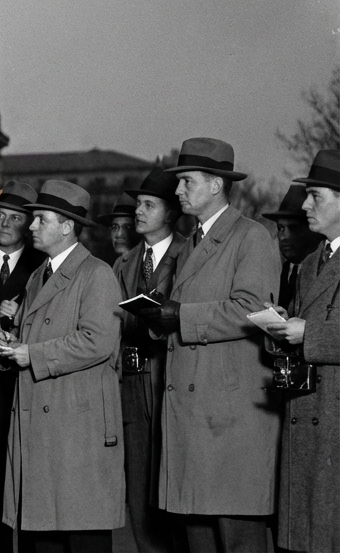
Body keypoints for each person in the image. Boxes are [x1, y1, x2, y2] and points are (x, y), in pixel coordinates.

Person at [136, 138, 280, 553]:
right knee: (197, 534)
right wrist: (156, 319)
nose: (177, 191)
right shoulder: (192, 245)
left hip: (229, 418)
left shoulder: (251, 238)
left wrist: (179, 315)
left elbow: (252, 309)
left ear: (216, 185)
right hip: (194, 415)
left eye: (186, 182)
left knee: (237, 536)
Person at [0, 179, 125, 553]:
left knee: (81, 533)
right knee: (44, 536)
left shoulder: (96, 274)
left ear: (67, 226)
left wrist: (31, 354)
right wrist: (11, 346)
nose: (30, 226)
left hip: (76, 430)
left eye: (40, 220)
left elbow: (98, 341)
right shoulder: (39, 276)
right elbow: (32, 337)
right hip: (44, 429)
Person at [264, 150, 340, 553]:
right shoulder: (312, 262)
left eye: (317, 196)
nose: (306, 205)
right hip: (306, 416)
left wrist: (306, 332)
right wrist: (278, 323)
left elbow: (314, 330)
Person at [0, 180, 49, 553]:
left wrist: (21, 316)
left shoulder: (44, 266)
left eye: (14, 217)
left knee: (28, 485)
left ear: (29, 223)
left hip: (28, 389)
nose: (3, 224)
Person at [115, 168, 186, 553]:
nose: (138, 212)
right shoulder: (124, 264)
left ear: (171, 212)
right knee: (139, 487)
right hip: (131, 382)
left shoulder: (188, 255)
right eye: (138, 204)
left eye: (148, 205)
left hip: (168, 381)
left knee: (171, 485)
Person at [262, 184, 323, 311]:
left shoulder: (324, 271)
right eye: (280, 228)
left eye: (293, 228)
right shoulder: (276, 274)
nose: (284, 236)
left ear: (312, 229)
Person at [98, 196, 141, 261]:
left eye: (126, 227)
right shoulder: (117, 264)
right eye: (115, 227)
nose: (119, 234)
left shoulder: (144, 263)